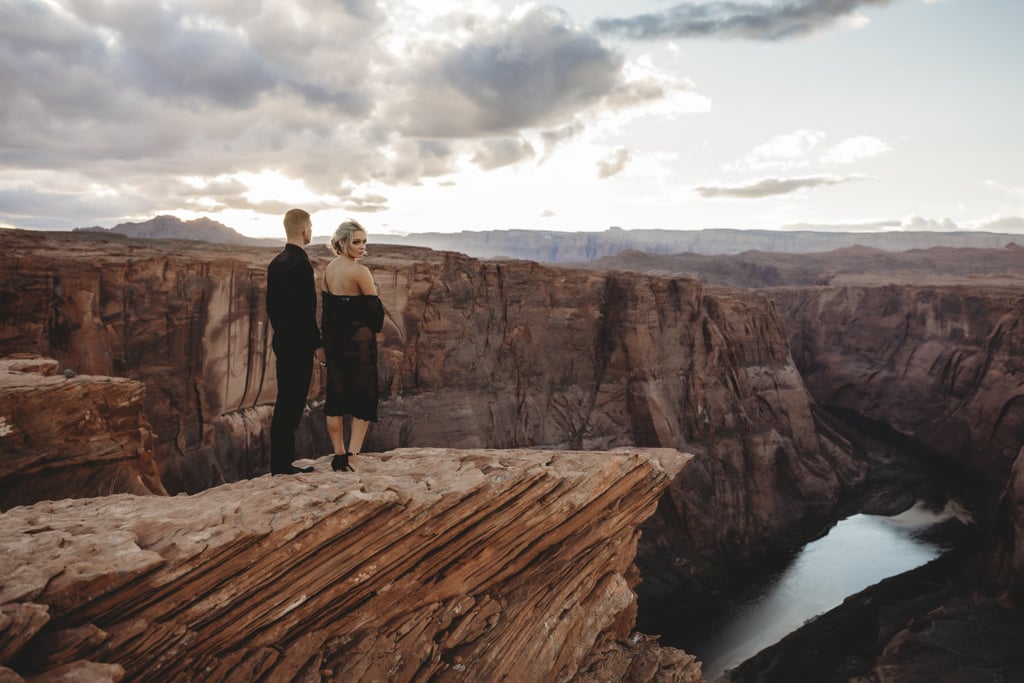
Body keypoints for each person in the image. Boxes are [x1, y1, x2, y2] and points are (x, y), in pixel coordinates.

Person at [321, 219, 384, 472]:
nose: (361, 247)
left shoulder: (328, 270)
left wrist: (325, 343)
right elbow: (376, 316)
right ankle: (353, 455)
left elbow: (326, 312)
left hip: (335, 342)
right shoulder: (361, 272)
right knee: (362, 399)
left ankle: (337, 455)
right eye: (356, 242)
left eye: (364, 242)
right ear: (341, 243)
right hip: (360, 345)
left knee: (335, 398)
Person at [266, 208, 324, 475]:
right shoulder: (301, 264)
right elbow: (305, 310)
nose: (311, 231)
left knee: (284, 402)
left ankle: (280, 462)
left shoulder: (276, 263)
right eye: (310, 227)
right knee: (291, 404)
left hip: (283, 341)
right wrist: (318, 345)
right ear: (304, 230)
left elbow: (272, 307)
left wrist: (283, 333)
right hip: (298, 345)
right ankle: (282, 465)